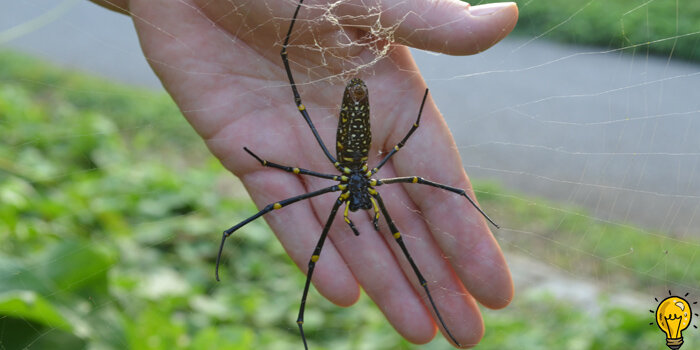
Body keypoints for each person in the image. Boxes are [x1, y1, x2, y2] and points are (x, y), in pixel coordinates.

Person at [90, 0, 518, 346]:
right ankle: (301, 322)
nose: (360, 204)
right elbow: (405, 155)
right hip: (355, 152)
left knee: (389, 232)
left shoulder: (353, 187)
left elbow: (410, 150)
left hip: (353, 144)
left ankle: (431, 312)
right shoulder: (370, 183)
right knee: (328, 239)